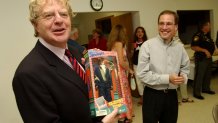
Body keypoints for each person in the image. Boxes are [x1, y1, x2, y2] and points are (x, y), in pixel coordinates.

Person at [12, 0, 119, 123]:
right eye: (48, 15)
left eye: (63, 14)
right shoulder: (28, 74)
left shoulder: (79, 51)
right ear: (35, 24)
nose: (59, 20)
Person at [137, 10, 190, 123]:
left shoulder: (179, 47)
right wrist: (168, 78)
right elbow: (142, 74)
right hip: (152, 96)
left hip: (172, 96)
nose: (164, 27)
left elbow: (185, 67)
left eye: (168, 23)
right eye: (161, 23)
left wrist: (183, 77)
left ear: (176, 27)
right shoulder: (147, 46)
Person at [107, 24, 134, 122]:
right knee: (123, 95)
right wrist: (128, 67)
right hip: (120, 73)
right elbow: (121, 61)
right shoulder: (119, 43)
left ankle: (123, 117)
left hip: (116, 73)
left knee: (120, 95)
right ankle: (124, 117)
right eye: (124, 31)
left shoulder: (113, 43)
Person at [191, 20, 215, 100]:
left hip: (209, 58)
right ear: (204, 26)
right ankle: (196, 93)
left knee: (208, 74)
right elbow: (193, 47)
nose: (210, 27)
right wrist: (204, 50)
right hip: (201, 58)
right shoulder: (198, 35)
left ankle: (206, 89)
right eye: (209, 25)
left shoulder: (207, 35)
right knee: (199, 75)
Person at [132, 26, 148, 105]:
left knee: (146, 81)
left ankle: (148, 97)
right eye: (138, 31)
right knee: (138, 82)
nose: (140, 33)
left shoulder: (147, 43)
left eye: (141, 31)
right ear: (136, 33)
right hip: (136, 65)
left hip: (145, 65)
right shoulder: (134, 43)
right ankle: (142, 98)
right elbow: (132, 55)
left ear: (144, 33)